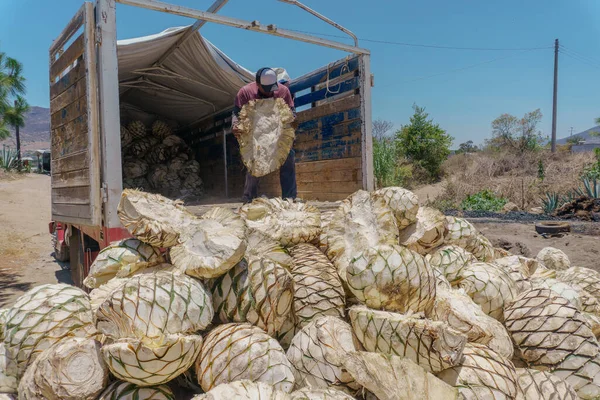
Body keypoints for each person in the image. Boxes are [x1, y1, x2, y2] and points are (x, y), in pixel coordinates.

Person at [232, 67, 297, 204]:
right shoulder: (245, 92)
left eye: (271, 88)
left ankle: (289, 198)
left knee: (288, 157)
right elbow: (236, 113)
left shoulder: (283, 91)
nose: (269, 92)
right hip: (256, 136)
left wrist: (293, 119)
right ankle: (249, 199)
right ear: (257, 84)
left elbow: (291, 111)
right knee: (254, 162)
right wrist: (235, 125)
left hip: (277, 134)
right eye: (265, 89)